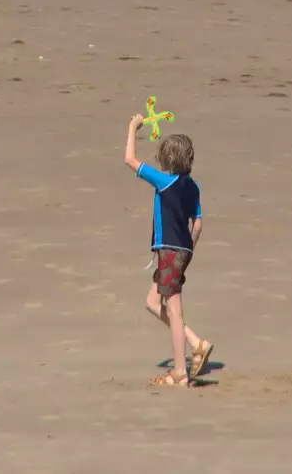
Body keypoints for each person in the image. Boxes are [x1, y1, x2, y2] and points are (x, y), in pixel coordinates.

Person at [123, 117, 212, 387]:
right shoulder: (193, 187)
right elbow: (198, 222)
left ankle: (180, 373)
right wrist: (189, 251)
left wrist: (133, 128)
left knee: (174, 311)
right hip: (181, 251)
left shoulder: (165, 182)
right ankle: (196, 342)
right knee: (152, 302)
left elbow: (130, 159)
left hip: (170, 251)